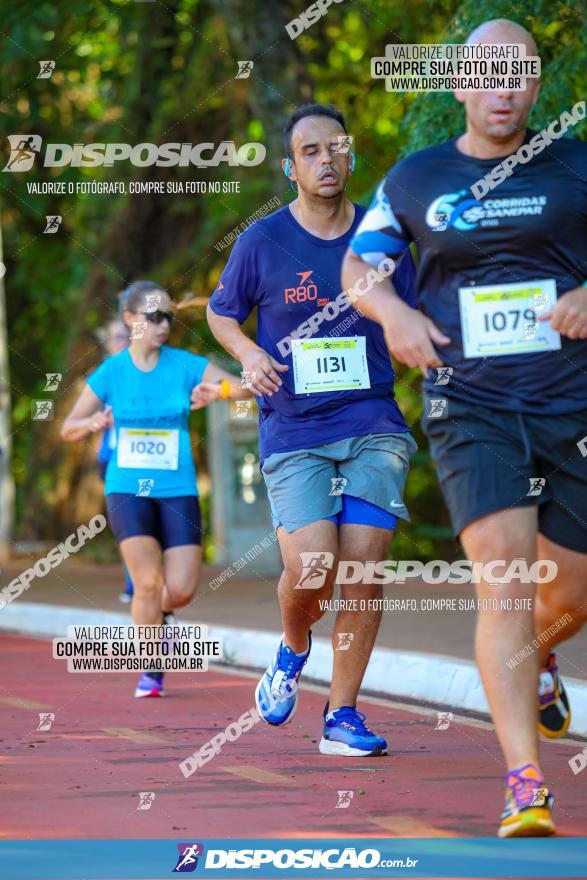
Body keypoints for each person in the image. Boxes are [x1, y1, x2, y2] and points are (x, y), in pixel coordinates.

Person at [342, 18, 587, 835]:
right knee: (503, 578)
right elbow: (360, 262)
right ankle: (524, 780)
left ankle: (539, 657)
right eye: (485, 72)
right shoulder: (417, 177)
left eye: (516, 72)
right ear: (457, 82)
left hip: (573, 399)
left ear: (536, 81)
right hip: (468, 403)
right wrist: (390, 311)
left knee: (569, 592)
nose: (502, 86)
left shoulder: (575, 163)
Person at [207, 103, 418, 757]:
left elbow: (412, 316)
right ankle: (294, 645)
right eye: (311, 151)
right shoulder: (261, 241)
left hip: (371, 420)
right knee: (312, 570)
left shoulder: (381, 240)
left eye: (337, 148)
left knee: (364, 566)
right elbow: (221, 314)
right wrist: (246, 354)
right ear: (290, 166)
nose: (326, 159)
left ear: (350, 158)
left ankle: (343, 715)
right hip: (293, 427)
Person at [62, 280, 253, 698]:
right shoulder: (112, 371)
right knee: (146, 582)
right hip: (127, 488)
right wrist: (91, 424)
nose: (163, 324)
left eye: (168, 316)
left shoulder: (184, 364)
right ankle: (151, 669)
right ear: (129, 319)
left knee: (180, 590)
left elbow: (248, 386)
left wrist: (219, 390)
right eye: (153, 316)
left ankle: (157, 616)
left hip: (177, 488)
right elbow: (67, 428)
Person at [96, 317, 135, 603]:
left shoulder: (146, 369)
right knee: (126, 522)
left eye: (125, 337)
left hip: (149, 458)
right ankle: (132, 581)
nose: (120, 343)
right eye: (115, 338)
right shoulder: (104, 375)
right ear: (107, 343)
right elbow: (83, 418)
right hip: (113, 458)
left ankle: (147, 580)